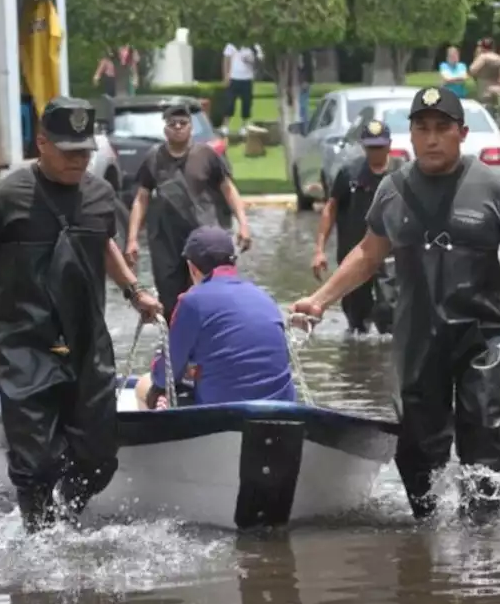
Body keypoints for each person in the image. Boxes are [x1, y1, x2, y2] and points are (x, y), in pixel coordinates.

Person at [290, 86, 500, 524]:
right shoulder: (393, 191)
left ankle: (482, 542)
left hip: (482, 337)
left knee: (481, 438)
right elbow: (367, 254)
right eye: (422, 129)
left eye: (442, 129)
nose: (432, 139)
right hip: (418, 339)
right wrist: (320, 300)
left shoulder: (494, 187)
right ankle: (426, 541)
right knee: (419, 449)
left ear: (461, 134)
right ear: (409, 137)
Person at [0, 96, 163, 533]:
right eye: (69, 150)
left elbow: (103, 244)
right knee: (36, 464)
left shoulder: (100, 195)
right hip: (24, 344)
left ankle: (65, 517)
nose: (79, 160)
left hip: (87, 343)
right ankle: (39, 538)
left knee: (100, 457)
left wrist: (134, 291)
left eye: (84, 151)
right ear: (41, 144)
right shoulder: (6, 196)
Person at [134, 226, 296, 410]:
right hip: (282, 409)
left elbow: (164, 375)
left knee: (144, 385)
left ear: (191, 268)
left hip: (224, 416)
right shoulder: (265, 297)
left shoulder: (192, 302)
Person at [125, 104, 253, 323]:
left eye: (182, 123)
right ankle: (175, 347)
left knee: (209, 295)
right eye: (172, 124)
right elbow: (141, 198)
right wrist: (132, 239)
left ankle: (211, 342)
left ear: (190, 127)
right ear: (165, 129)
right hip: (165, 241)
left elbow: (229, 189)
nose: (177, 127)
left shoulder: (206, 155)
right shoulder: (153, 158)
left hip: (203, 237)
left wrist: (243, 225)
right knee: (170, 302)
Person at [311, 120, 402, 335]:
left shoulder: (402, 173)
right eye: (371, 147)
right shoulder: (350, 173)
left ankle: (387, 361)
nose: (375, 152)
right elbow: (330, 208)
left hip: (391, 255)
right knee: (356, 318)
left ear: (389, 145)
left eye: (380, 146)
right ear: (363, 146)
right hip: (354, 254)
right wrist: (319, 250)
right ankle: (358, 361)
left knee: (389, 312)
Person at [220, 44, 260, 137]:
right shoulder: (231, 45)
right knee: (229, 103)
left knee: (246, 103)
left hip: (247, 79)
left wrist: (251, 61)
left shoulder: (253, 46)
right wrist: (226, 76)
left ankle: (244, 126)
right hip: (233, 78)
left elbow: (259, 63)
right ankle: (225, 126)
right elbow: (226, 60)